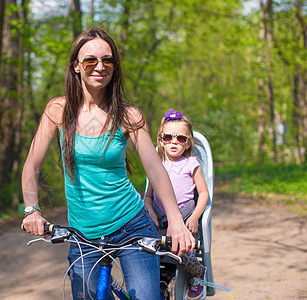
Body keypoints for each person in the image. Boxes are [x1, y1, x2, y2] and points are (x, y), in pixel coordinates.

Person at [21, 28, 195, 300]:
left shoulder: (128, 116)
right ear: (76, 67)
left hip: (131, 226)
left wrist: (175, 221)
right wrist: (32, 210)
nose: (100, 67)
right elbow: (31, 166)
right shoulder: (57, 110)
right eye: (90, 61)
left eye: (108, 60)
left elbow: (155, 170)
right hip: (83, 235)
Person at [144, 108, 209, 300]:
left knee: (184, 254)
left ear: (188, 143)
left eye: (180, 138)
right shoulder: (157, 165)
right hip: (160, 224)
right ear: (161, 140)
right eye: (168, 137)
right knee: (148, 252)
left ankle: (198, 273)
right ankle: (160, 282)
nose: (173, 141)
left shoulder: (191, 163)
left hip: (185, 223)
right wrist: (151, 213)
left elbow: (203, 194)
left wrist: (196, 216)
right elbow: (148, 197)